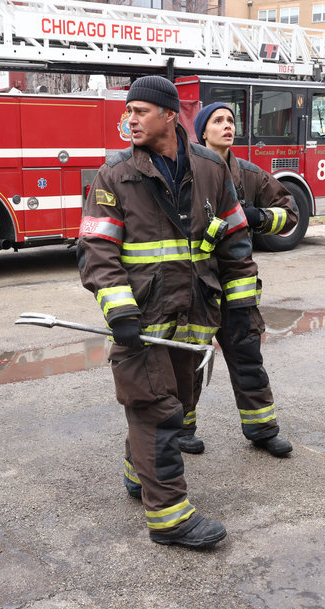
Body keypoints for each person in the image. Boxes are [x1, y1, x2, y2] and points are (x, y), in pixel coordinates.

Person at [77, 76, 257, 547]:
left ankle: (139, 475)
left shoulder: (211, 169)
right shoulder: (114, 175)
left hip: (194, 317)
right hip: (142, 319)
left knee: (176, 403)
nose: (129, 119)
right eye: (127, 111)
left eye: (140, 111)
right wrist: (118, 310)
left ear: (170, 116)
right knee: (154, 408)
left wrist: (239, 309)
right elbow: (96, 249)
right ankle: (170, 517)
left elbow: (236, 240)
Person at [174, 101, 296, 458]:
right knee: (188, 361)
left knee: (247, 357)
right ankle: (182, 430)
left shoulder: (249, 173)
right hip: (195, 286)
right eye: (218, 121)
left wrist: (257, 217)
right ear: (202, 130)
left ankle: (262, 429)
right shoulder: (185, 172)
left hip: (237, 285)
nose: (227, 126)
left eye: (230, 120)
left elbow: (290, 214)